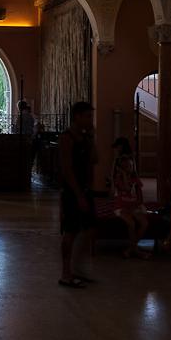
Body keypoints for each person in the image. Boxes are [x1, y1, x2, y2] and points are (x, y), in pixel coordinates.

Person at [58, 101, 97, 288]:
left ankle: (78, 268)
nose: (91, 120)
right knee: (71, 231)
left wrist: (92, 138)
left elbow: (95, 159)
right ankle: (66, 273)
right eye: (88, 116)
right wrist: (78, 194)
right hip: (72, 191)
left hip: (85, 189)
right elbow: (67, 169)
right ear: (77, 117)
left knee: (90, 228)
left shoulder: (85, 138)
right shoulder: (66, 138)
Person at [113, 153, 150, 259]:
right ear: (121, 168)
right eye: (125, 166)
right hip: (121, 206)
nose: (129, 168)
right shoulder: (118, 178)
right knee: (131, 223)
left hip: (134, 206)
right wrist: (124, 175)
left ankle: (131, 249)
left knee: (144, 223)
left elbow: (140, 198)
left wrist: (136, 206)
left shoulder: (136, 180)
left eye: (130, 166)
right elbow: (126, 188)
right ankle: (136, 251)